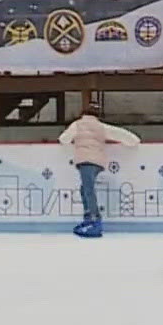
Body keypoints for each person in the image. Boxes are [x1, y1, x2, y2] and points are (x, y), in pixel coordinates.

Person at [57, 100, 139, 238]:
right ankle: (89, 216)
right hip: (97, 162)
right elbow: (120, 134)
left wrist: (72, 141)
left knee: (88, 190)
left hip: (84, 160)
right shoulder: (101, 127)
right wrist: (134, 140)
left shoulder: (77, 125)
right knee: (85, 189)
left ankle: (94, 219)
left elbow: (64, 139)